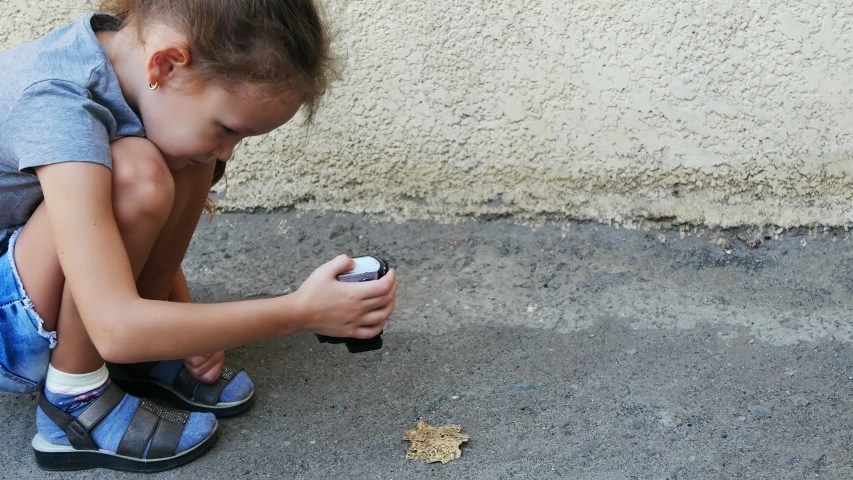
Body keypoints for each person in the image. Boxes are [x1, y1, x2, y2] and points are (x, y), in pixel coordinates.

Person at [0, 0, 397, 472]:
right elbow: (115, 328)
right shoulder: (59, 102)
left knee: (188, 155)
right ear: (166, 63)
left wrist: (183, 321)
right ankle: (74, 401)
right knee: (137, 172)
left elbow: (99, 237)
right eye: (228, 128)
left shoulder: (132, 70)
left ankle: (144, 351)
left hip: (31, 271)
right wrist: (299, 312)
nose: (230, 150)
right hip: (13, 331)